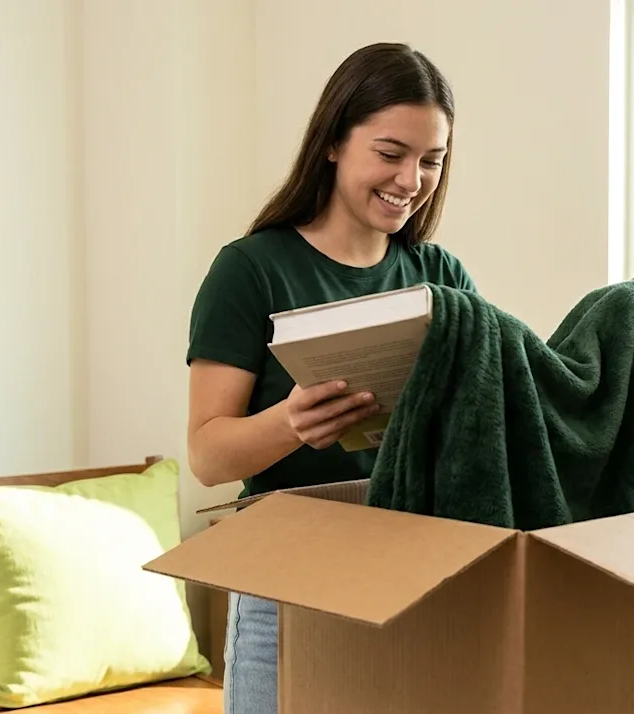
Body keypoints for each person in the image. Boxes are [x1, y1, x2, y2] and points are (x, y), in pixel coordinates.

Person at [183, 42, 477, 714]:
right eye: (391, 152)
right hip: (280, 583)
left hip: (408, 581)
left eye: (432, 160)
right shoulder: (250, 270)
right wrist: (289, 423)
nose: (411, 179)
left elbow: (506, 398)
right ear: (334, 144)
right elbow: (206, 456)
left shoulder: (442, 278)